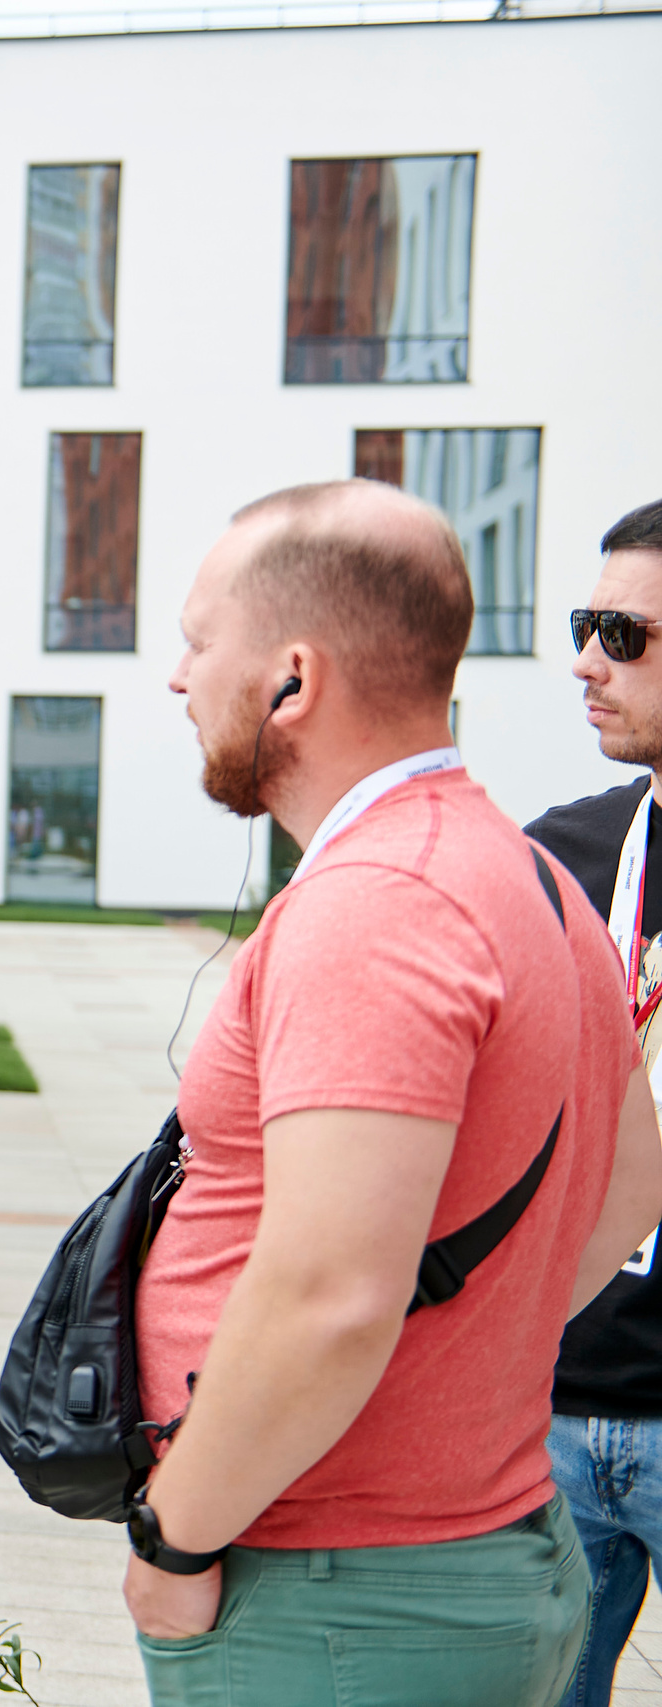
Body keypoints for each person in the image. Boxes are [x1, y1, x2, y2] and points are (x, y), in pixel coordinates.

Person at [126, 479, 662, 1707]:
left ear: (292, 680)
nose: (178, 678)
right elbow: (632, 1181)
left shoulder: (381, 901)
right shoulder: (524, 871)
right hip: (438, 1560)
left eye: (200, 641)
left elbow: (326, 1293)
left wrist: (176, 1537)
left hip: (336, 1594)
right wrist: (459, 1361)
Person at [523, 497, 662, 1707]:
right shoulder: (561, 855)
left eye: (623, 634)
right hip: (560, 1404)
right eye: (585, 623)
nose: (585, 660)